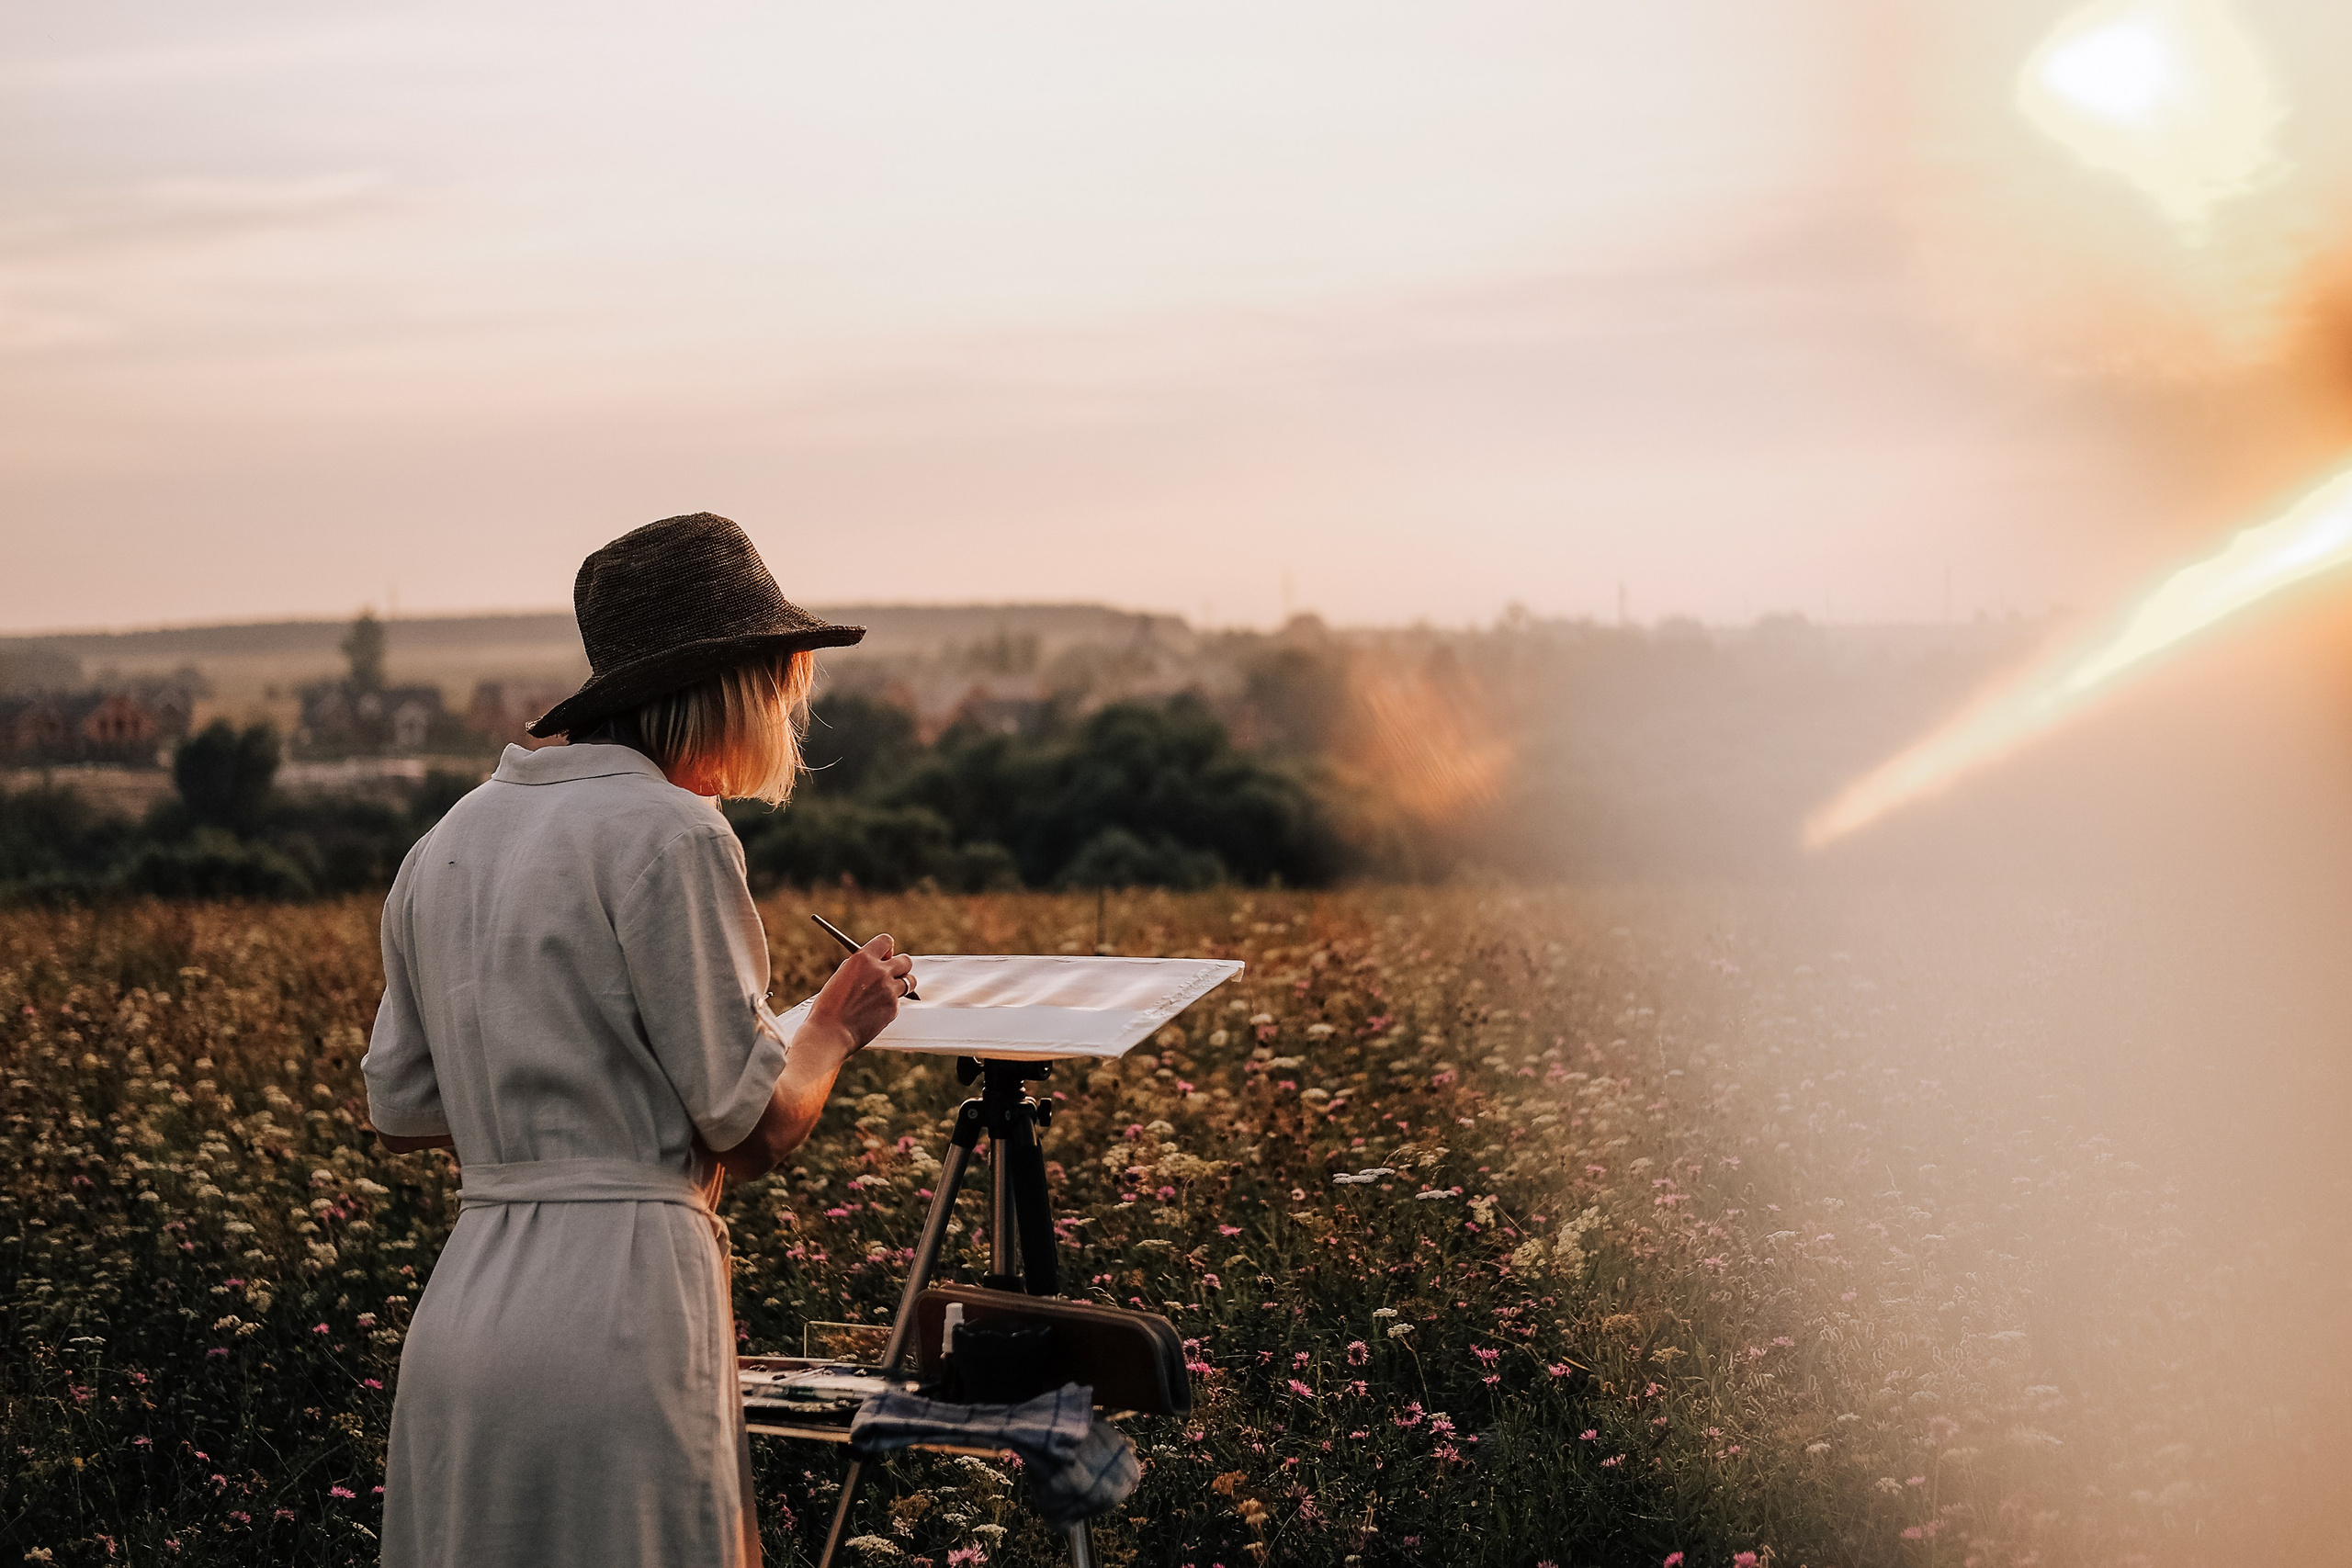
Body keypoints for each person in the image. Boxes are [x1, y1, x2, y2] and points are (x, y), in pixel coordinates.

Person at [362, 513, 903, 1568]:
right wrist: (833, 1028)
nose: (790, 713)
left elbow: (402, 1109)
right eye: (784, 686)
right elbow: (746, 1125)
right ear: (735, 684)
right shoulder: (673, 832)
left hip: (466, 1307)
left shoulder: (449, 841)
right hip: (620, 1311)